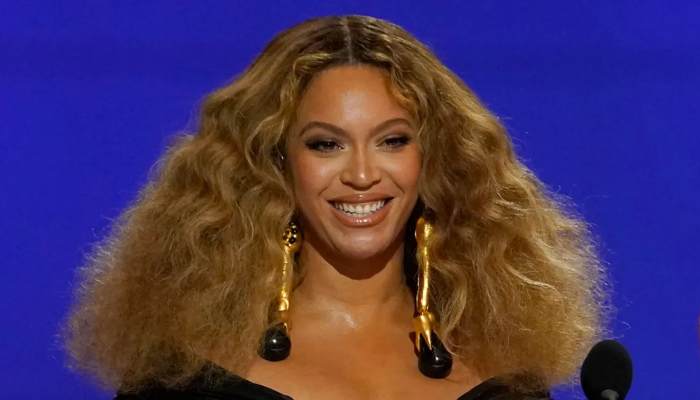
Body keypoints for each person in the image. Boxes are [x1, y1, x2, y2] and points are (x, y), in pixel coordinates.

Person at [61, 14, 608, 400]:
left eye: (393, 140)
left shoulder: (503, 378)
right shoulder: (187, 375)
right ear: (275, 162)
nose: (363, 175)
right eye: (326, 144)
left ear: (433, 158)